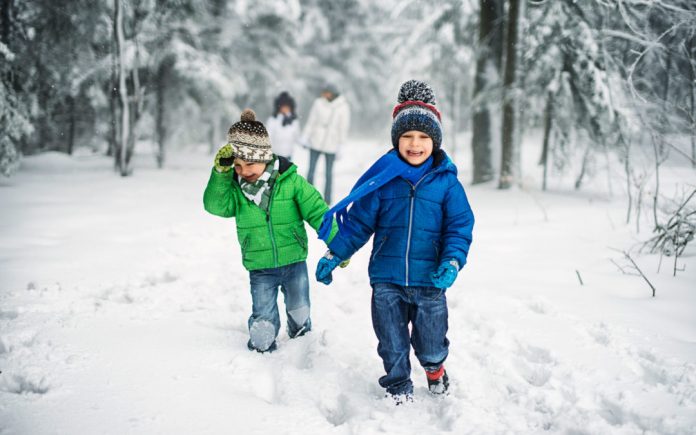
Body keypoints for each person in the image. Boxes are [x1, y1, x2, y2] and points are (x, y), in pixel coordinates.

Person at [314, 80, 474, 403]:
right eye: (407, 137)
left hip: (430, 281)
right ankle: (398, 385)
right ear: (396, 140)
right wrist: (336, 252)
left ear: (435, 141)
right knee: (391, 341)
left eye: (423, 137)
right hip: (386, 280)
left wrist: (452, 261)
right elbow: (359, 222)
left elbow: (459, 227)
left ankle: (434, 369)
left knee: (430, 341)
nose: (415, 144)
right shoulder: (384, 180)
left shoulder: (446, 184)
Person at [203, 108, 337, 353]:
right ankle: (263, 336)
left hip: (294, 261)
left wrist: (340, 244)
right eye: (237, 166)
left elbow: (318, 212)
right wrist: (221, 174)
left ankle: (301, 342)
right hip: (260, 265)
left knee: (300, 309)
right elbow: (215, 206)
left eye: (250, 163)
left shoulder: (291, 182)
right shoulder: (235, 189)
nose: (244, 171)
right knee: (263, 316)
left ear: (264, 156)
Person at [301, 83, 351, 204]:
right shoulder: (318, 103)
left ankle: (328, 200)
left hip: (332, 144)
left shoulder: (343, 107)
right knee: (311, 170)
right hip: (315, 141)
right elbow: (311, 121)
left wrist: (341, 146)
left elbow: (343, 128)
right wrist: (305, 136)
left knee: (328, 173)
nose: (324, 94)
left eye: (326, 92)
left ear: (332, 93)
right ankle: (308, 197)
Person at [265, 91, 301, 161]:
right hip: (275, 153)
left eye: (287, 107)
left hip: (288, 153)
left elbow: (297, 135)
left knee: (286, 171)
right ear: (279, 107)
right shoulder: (273, 120)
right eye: (283, 107)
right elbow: (268, 135)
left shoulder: (294, 121)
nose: (285, 109)